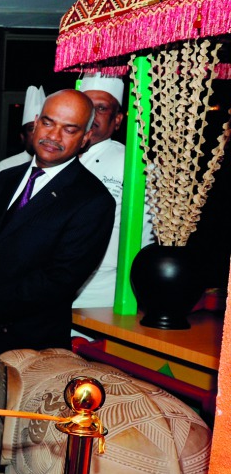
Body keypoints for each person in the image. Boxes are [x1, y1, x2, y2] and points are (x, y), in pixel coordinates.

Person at [0, 89, 115, 396]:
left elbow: (59, 279)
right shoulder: (5, 178)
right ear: (35, 123)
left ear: (85, 137)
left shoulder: (92, 199)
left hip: (30, 349)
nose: (54, 135)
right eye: (48, 123)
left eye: (69, 129)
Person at [75, 74, 134, 308]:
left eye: (101, 108)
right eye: (86, 106)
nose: (92, 114)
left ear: (117, 120)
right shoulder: (57, 158)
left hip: (105, 291)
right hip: (50, 289)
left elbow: (146, 235)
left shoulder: (131, 164)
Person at [0, 86, 45, 174]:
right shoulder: (6, 167)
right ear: (22, 137)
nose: (36, 133)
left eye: (41, 128)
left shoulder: (57, 166)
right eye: (32, 128)